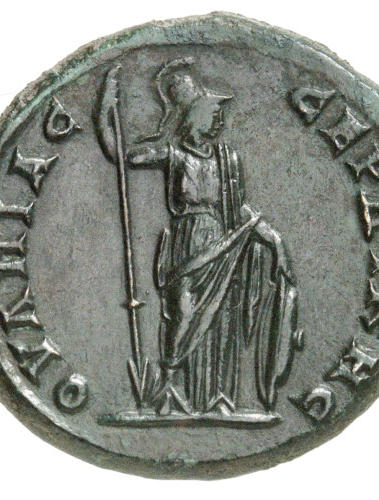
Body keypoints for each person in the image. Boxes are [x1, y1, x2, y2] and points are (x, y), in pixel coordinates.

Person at [119, 58, 302, 418]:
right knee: (182, 313)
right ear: (196, 116)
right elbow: (132, 158)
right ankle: (169, 390)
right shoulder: (175, 155)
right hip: (188, 243)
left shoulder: (226, 159)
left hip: (222, 241)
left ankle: (217, 398)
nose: (220, 121)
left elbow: (239, 207)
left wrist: (273, 239)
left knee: (221, 318)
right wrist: (119, 121)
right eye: (214, 113)